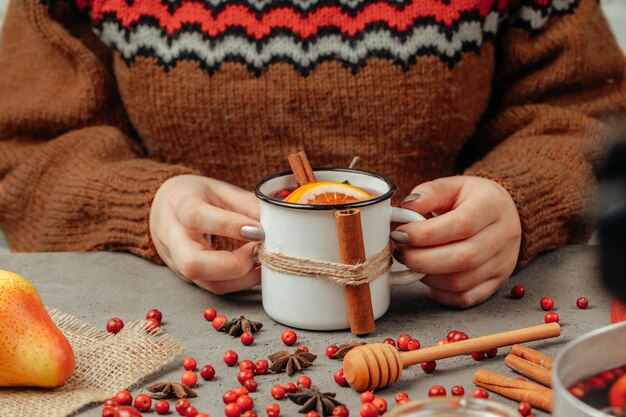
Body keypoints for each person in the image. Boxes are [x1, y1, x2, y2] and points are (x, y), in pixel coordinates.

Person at [0, 0, 624, 307]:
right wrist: (144, 203)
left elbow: (587, 108)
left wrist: (521, 196)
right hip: (165, 333)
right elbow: (23, 147)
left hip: (447, 325)